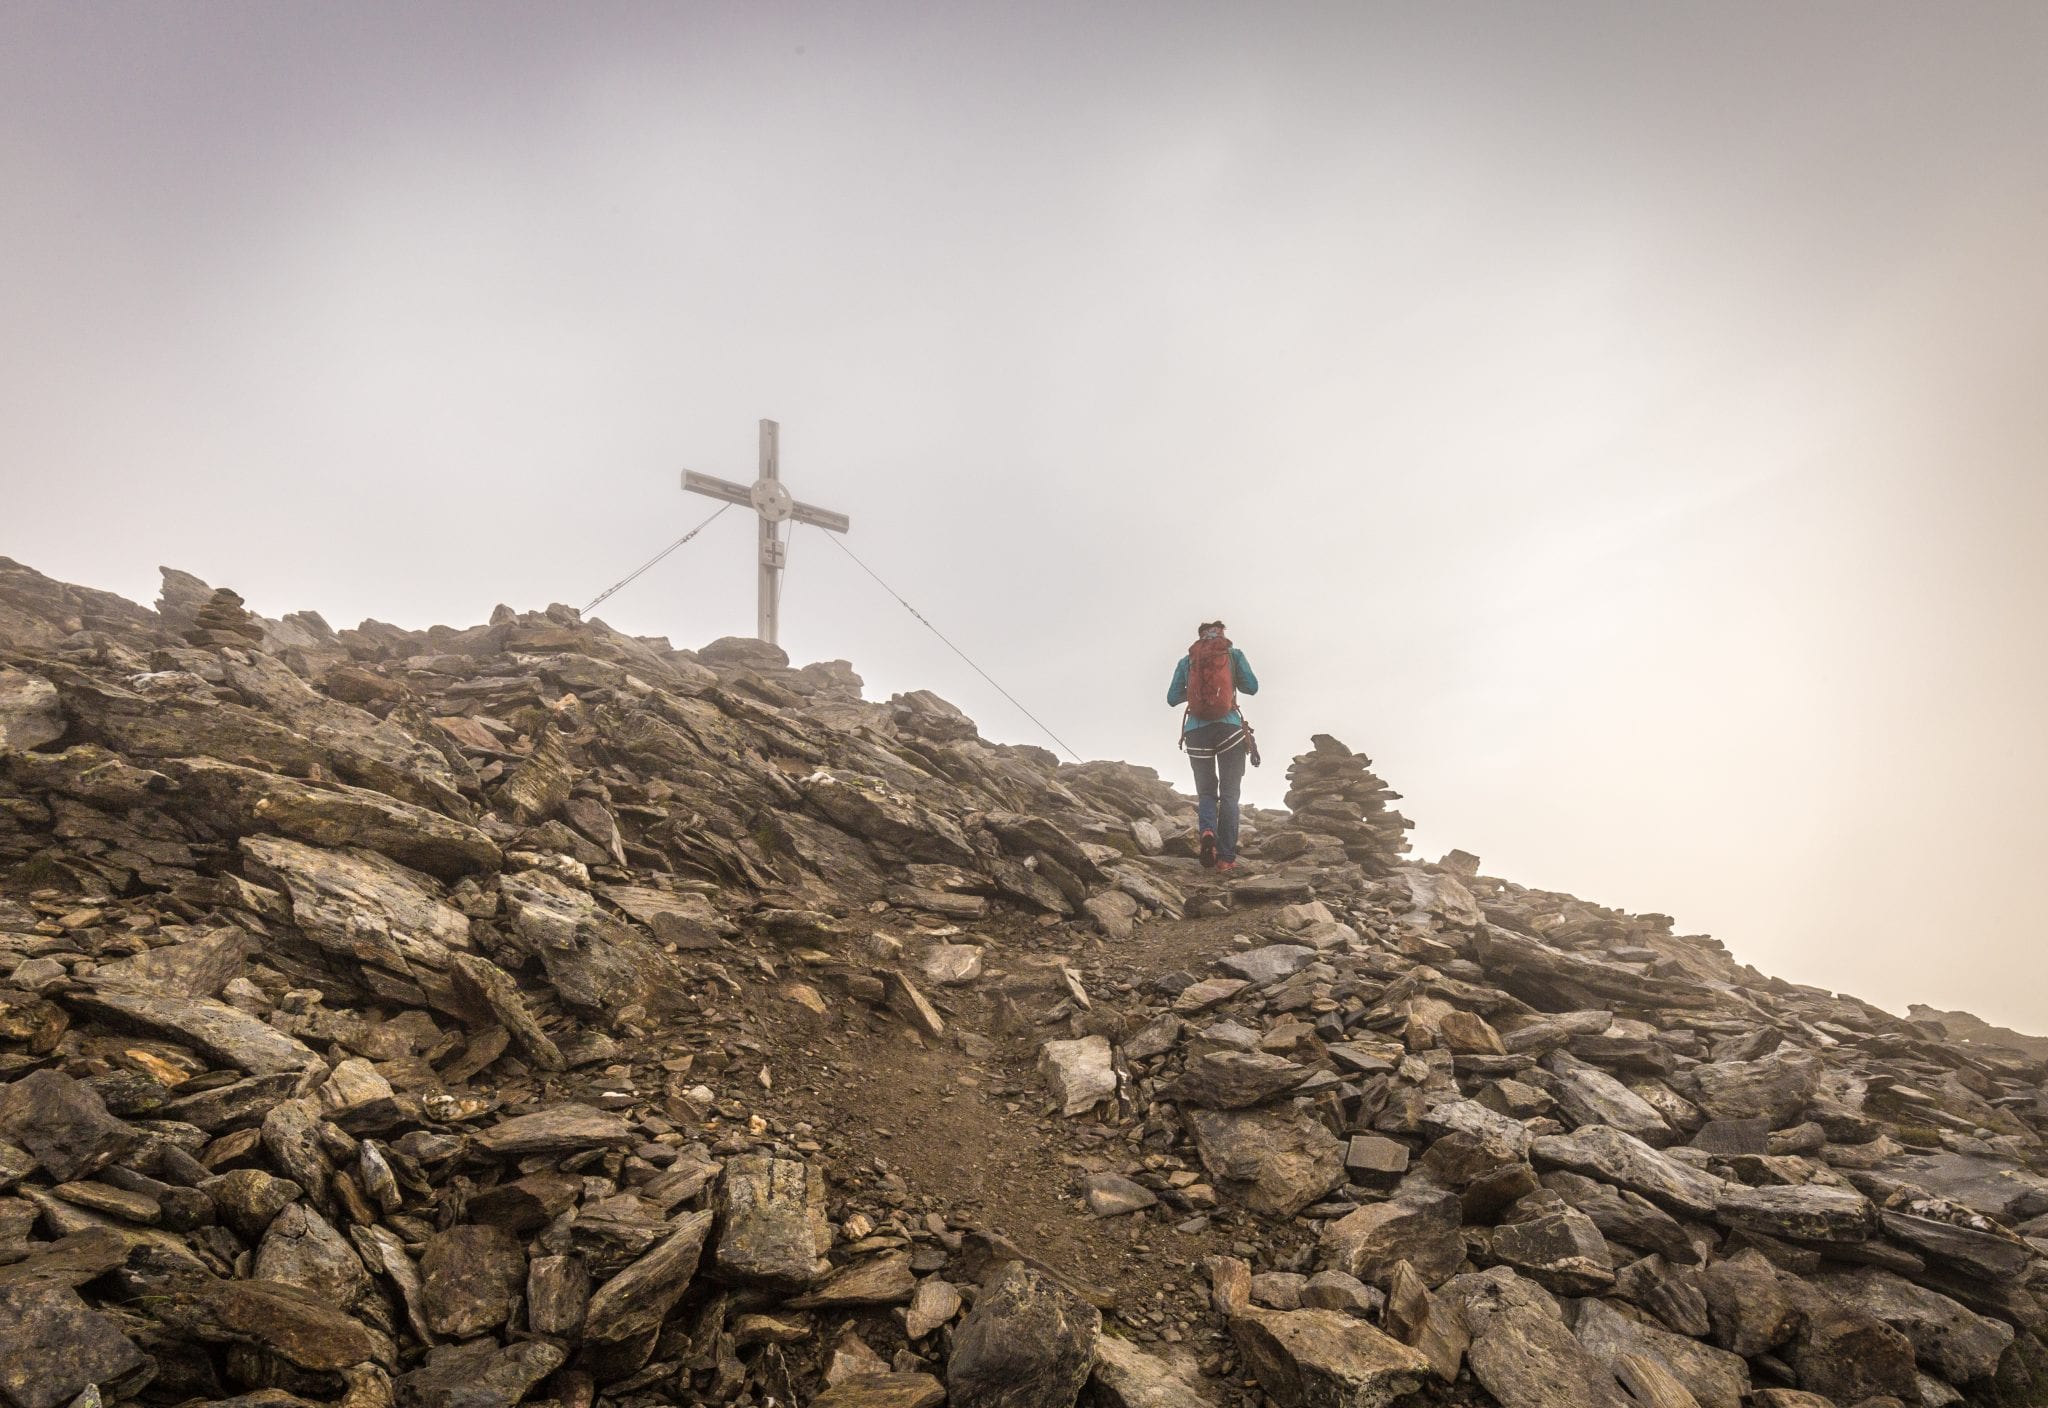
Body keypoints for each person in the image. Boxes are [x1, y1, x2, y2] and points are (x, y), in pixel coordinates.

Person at [1166, 620, 1259, 870]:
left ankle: (1208, 832)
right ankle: (1226, 859)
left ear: (1200, 637)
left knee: (1207, 792)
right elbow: (1252, 687)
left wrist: (1197, 694)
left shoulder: (1187, 661)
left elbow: (1172, 698)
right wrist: (1224, 688)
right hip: (1229, 730)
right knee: (1230, 794)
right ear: (1221, 634)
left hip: (1196, 733)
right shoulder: (1233, 655)